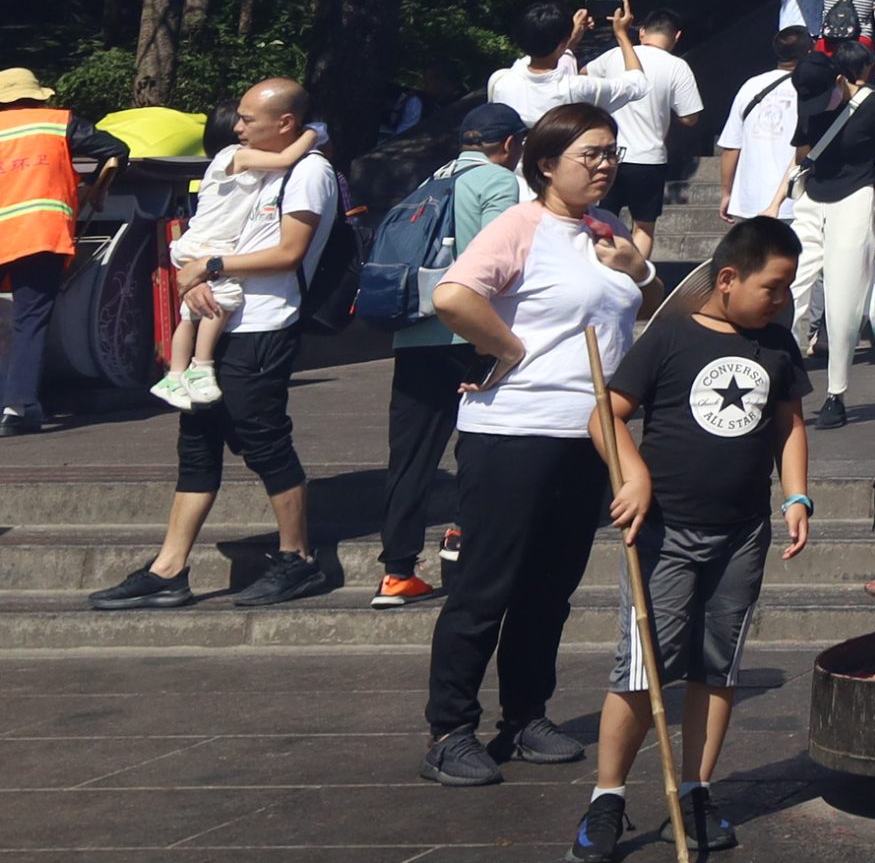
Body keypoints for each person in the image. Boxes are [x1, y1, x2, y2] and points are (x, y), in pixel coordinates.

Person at [418, 104, 652, 782]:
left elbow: (650, 308)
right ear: (547, 163)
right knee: (485, 585)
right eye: (590, 153)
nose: (605, 163)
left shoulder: (608, 230)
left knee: (550, 586)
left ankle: (525, 713)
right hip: (514, 430)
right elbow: (455, 296)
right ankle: (449, 727)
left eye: (611, 152)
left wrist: (635, 266)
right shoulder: (521, 224)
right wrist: (510, 347)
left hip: (588, 435)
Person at [576, 214, 812, 863]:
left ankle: (697, 787)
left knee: (718, 662)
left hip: (741, 530)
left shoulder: (778, 345)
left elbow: (788, 424)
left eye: (788, 288)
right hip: (664, 531)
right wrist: (635, 474)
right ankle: (607, 796)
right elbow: (607, 413)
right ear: (728, 277)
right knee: (642, 664)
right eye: (773, 286)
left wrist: (796, 494)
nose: (782, 299)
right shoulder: (671, 335)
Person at [89, 76, 348, 614]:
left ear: (286, 124)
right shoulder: (237, 160)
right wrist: (200, 273)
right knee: (197, 439)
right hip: (217, 316)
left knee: (265, 439)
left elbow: (289, 253)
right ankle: (169, 568)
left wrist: (208, 266)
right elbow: (213, 230)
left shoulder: (311, 173)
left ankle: (297, 558)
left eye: (251, 117)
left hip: (263, 324)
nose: (238, 124)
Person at [376, 102, 530, 607]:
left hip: (414, 332)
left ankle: (397, 573)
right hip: (467, 333)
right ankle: (464, 543)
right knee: (478, 444)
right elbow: (499, 260)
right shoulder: (497, 182)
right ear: (509, 145)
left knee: (410, 455)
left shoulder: (429, 180)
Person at [147, 111, 321, 408]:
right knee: (222, 299)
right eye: (242, 126)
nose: (245, 129)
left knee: (191, 314)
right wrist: (312, 133)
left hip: (196, 242)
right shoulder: (237, 155)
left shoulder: (229, 162)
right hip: (208, 246)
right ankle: (201, 366)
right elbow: (284, 160)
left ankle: (174, 376)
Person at [785, 44, 875, 428]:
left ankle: (836, 393)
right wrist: (776, 204)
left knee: (843, 299)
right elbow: (801, 158)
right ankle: (776, 382)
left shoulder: (874, 105)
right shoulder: (808, 100)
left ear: (841, 79)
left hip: (854, 200)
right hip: (810, 201)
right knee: (786, 289)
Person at [0, 62, 86, 437]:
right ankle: (18, 407)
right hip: (39, 234)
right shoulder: (59, 122)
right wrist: (99, 184)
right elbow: (115, 148)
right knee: (28, 321)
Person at [608, 14, 706, 256]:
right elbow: (690, 117)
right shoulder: (676, 66)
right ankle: (637, 281)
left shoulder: (613, 55)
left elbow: (583, 72)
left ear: (641, 32)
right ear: (677, 37)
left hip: (608, 155)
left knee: (602, 221)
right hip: (648, 158)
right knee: (643, 226)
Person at [715, 29, 815, 222]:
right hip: (793, 202)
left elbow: (731, 147)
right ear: (809, 53)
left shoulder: (750, 86)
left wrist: (726, 193)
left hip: (748, 202)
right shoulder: (810, 90)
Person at [491, 0, 644, 125]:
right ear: (562, 42)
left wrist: (570, 39)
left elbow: (547, 56)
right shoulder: (577, 88)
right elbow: (637, 84)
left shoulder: (501, 81)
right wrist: (621, 34)